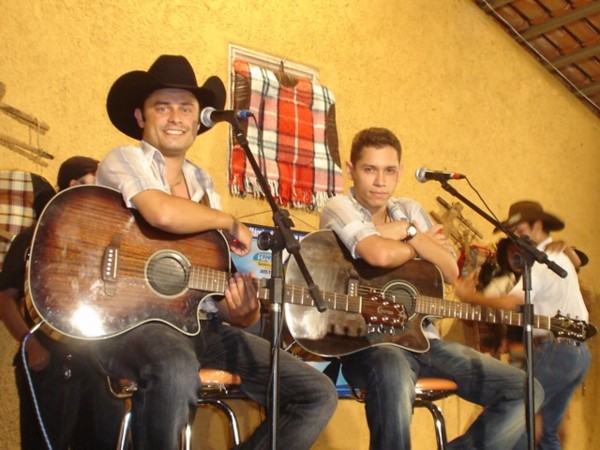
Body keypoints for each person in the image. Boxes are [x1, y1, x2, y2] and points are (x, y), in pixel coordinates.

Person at [93, 54, 337, 450]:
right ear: (141, 116)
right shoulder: (124, 160)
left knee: (317, 393)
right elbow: (160, 211)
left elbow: (206, 288)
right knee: (174, 366)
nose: (176, 117)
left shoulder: (203, 184)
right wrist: (227, 220)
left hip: (198, 327)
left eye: (186, 108)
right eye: (163, 106)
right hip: (129, 324)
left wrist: (242, 312)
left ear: (197, 119)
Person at [319, 127, 543, 450]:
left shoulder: (409, 210)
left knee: (527, 390)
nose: (380, 181)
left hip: (426, 342)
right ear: (351, 171)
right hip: (367, 344)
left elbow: (451, 271)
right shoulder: (338, 207)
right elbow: (377, 253)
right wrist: (418, 242)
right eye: (370, 170)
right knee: (392, 369)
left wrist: (406, 232)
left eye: (390, 170)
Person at [0, 156, 122, 450]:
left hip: (98, 366)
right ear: (65, 188)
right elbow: (4, 298)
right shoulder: (32, 238)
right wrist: (31, 345)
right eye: (82, 184)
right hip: (49, 361)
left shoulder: (103, 243)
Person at [456, 201, 592, 449]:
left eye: (520, 231)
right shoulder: (557, 255)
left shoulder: (542, 261)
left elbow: (509, 302)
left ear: (538, 226)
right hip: (579, 354)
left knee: (519, 423)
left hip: (557, 351)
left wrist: (469, 297)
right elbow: (577, 262)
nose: (516, 239)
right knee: (546, 432)